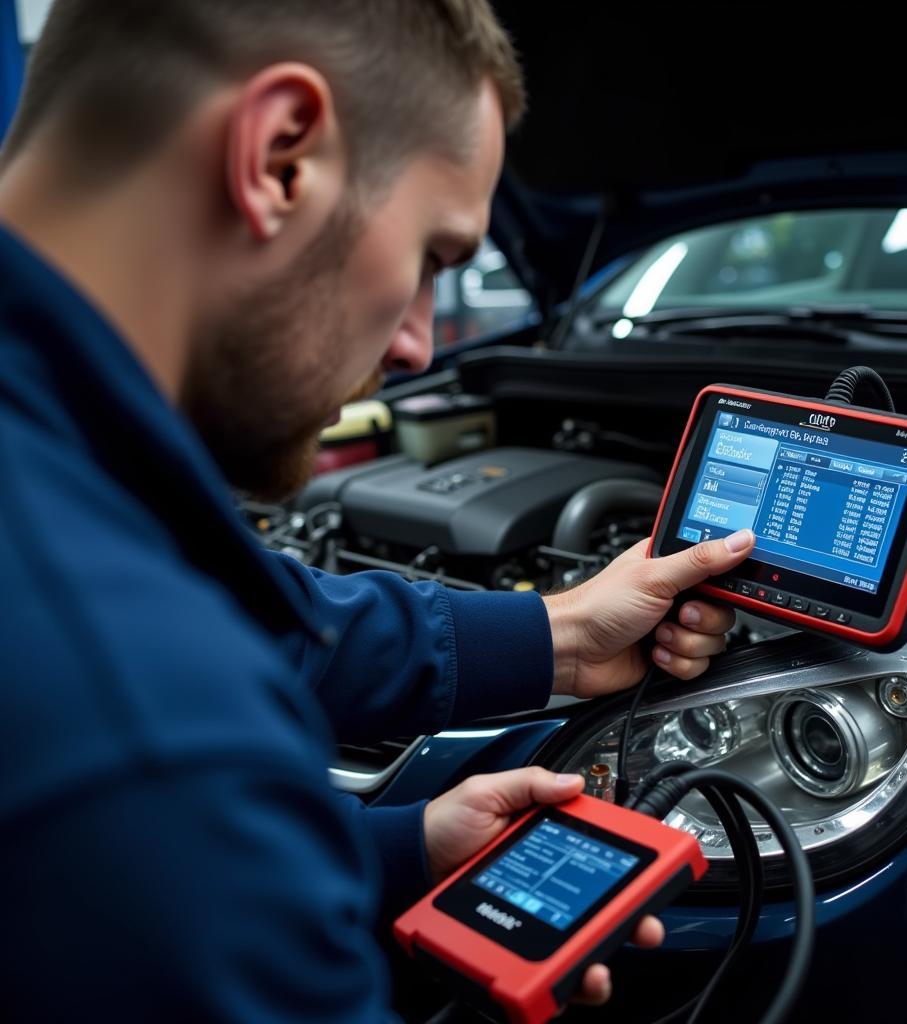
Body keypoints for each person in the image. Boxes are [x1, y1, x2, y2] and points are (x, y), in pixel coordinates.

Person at [0, 1, 756, 1020]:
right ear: (278, 157)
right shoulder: (158, 728)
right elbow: (172, 778)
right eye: (435, 257)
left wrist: (557, 645)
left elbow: (250, 611)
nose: (416, 347)